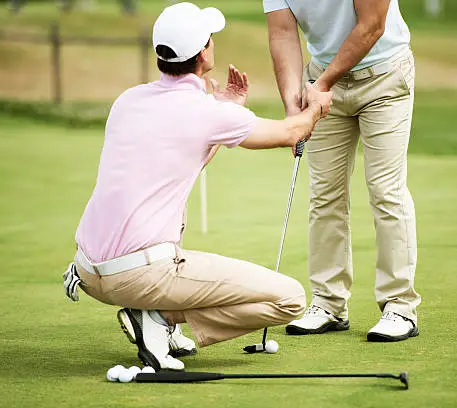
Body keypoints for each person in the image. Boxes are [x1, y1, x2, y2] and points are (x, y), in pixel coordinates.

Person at [62, 2, 333, 371]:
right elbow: (292, 133)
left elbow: (181, 161)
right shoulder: (208, 112)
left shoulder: (127, 101)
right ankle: (160, 319)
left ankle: (155, 317)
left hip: (89, 273)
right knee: (290, 299)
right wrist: (316, 105)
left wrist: (226, 111)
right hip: (141, 276)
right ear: (204, 52)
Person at [264, 0, 421, 341]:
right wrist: (294, 107)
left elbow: (372, 25)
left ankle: (400, 306)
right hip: (320, 80)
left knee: (385, 190)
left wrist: (321, 85)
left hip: (384, 78)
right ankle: (328, 303)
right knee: (325, 195)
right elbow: (281, 33)